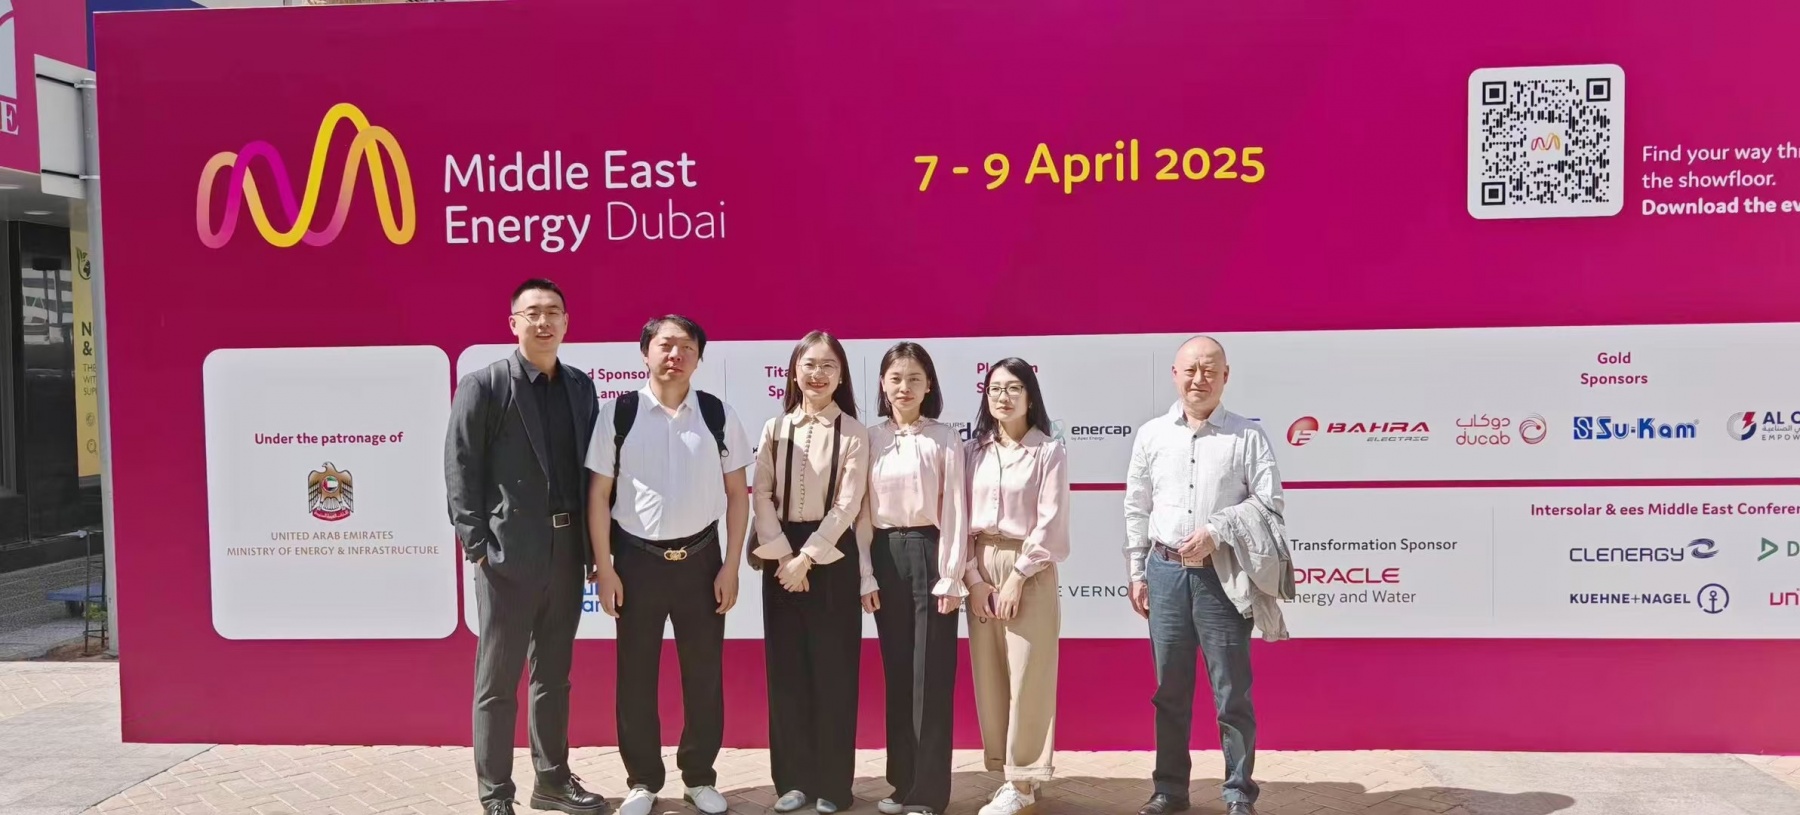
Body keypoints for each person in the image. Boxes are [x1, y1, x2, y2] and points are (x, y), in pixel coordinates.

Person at [445, 279, 609, 815]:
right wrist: (477, 545)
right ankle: (496, 794)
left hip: (568, 552)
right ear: (513, 322)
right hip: (507, 556)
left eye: (553, 312)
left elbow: (592, 474)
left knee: (553, 677)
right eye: (533, 312)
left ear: (566, 322)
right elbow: (460, 467)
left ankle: (552, 781)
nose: (544, 322)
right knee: (497, 683)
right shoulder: (485, 385)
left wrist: (593, 551)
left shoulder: (580, 387)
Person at [584, 315, 753, 815]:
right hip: (636, 563)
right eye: (665, 345)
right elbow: (598, 496)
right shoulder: (619, 414)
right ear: (646, 352)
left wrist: (731, 566)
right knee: (635, 676)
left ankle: (699, 777)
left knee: (704, 676)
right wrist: (605, 567)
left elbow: (738, 495)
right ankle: (642, 781)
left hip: (702, 562)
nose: (675, 354)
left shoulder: (717, 414)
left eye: (686, 347)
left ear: (698, 358)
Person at [1123, 336, 1285, 815]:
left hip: (1223, 576)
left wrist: (1218, 530)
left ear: (1225, 376)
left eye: (1210, 370)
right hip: (1165, 572)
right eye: (1190, 369)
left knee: (1232, 692)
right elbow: (1137, 507)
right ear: (1175, 374)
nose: (1200, 379)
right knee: (1169, 693)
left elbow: (1269, 501)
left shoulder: (1247, 436)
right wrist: (1136, 570)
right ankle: (1169, 790)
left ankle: (1238, 793)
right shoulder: (1152, 435)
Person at [749, 331, 874, 815]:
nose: (817, 374)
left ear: (841, 375)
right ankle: (792, 781)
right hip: (779, 559)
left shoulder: (854, 432)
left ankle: (834, 786)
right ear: (794, 371)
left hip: (831, 560)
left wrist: (808, 557)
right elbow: (761, 494)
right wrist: (784, 557)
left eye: (828, 366)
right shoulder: (774, 427)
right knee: (786, 673)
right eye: (809, 364)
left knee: (834, 674)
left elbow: (848, 503)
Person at [858, 342, 968, 815]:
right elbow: (861, 511)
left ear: (929, 386)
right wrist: (865, 573)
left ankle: (928, 793)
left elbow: (956, 508)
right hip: (885, 556)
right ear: (883, 384)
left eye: (914, 379)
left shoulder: (944, 438)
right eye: (896, 378)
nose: (904, 387)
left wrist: (951, 575)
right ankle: (901, 784)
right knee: (899, 674)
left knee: (931, 677)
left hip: (930, 552)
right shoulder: (868, 438)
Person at [963, 358, 1069, 815]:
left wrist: (1017, 578)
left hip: (1029, 567)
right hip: (980, 564)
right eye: (994, 389)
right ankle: (1010, 774)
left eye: (1012, 388)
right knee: (991, 676)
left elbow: (1051, 523)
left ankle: (1023, 781)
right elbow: (959, 520)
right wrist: (973, 579)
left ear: (1030, 396)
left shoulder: (1048, 451)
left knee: (1030, 675)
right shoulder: (973, 451)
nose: (1002, 397)